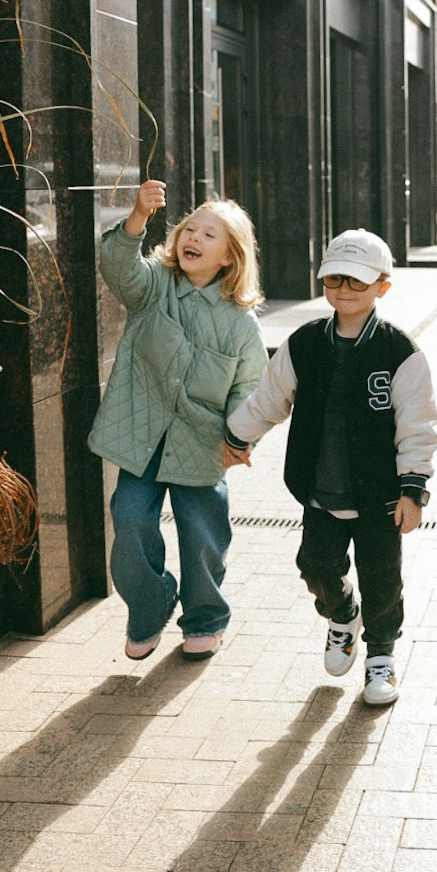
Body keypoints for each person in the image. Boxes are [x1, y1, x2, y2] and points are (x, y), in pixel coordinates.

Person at [226, 228, 437, 707]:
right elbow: (269, 399)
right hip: (321, 490)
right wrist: (236, 437)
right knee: (315, 565)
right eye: (334, 279)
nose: (344, 290)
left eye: (357, 282)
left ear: (383, 286)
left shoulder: (400, 352)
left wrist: (414, 489)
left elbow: (418, 425)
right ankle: (342, 613)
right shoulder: (303, 344)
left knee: (382, 579)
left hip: (381, 497)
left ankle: (380, 657)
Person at [88, 181, 268, 661]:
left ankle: (205, 617)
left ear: (230, 258)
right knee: (127, 517)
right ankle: (150, 606)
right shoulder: (154, 286)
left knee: (202, 536)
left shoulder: (240, 322)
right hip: (142, 435)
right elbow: (117, 266)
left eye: (210, 236)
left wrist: (238, 439)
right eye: (191, 228)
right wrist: (137, 217)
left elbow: (250, 389)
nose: (195, 237)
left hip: (203, 441)